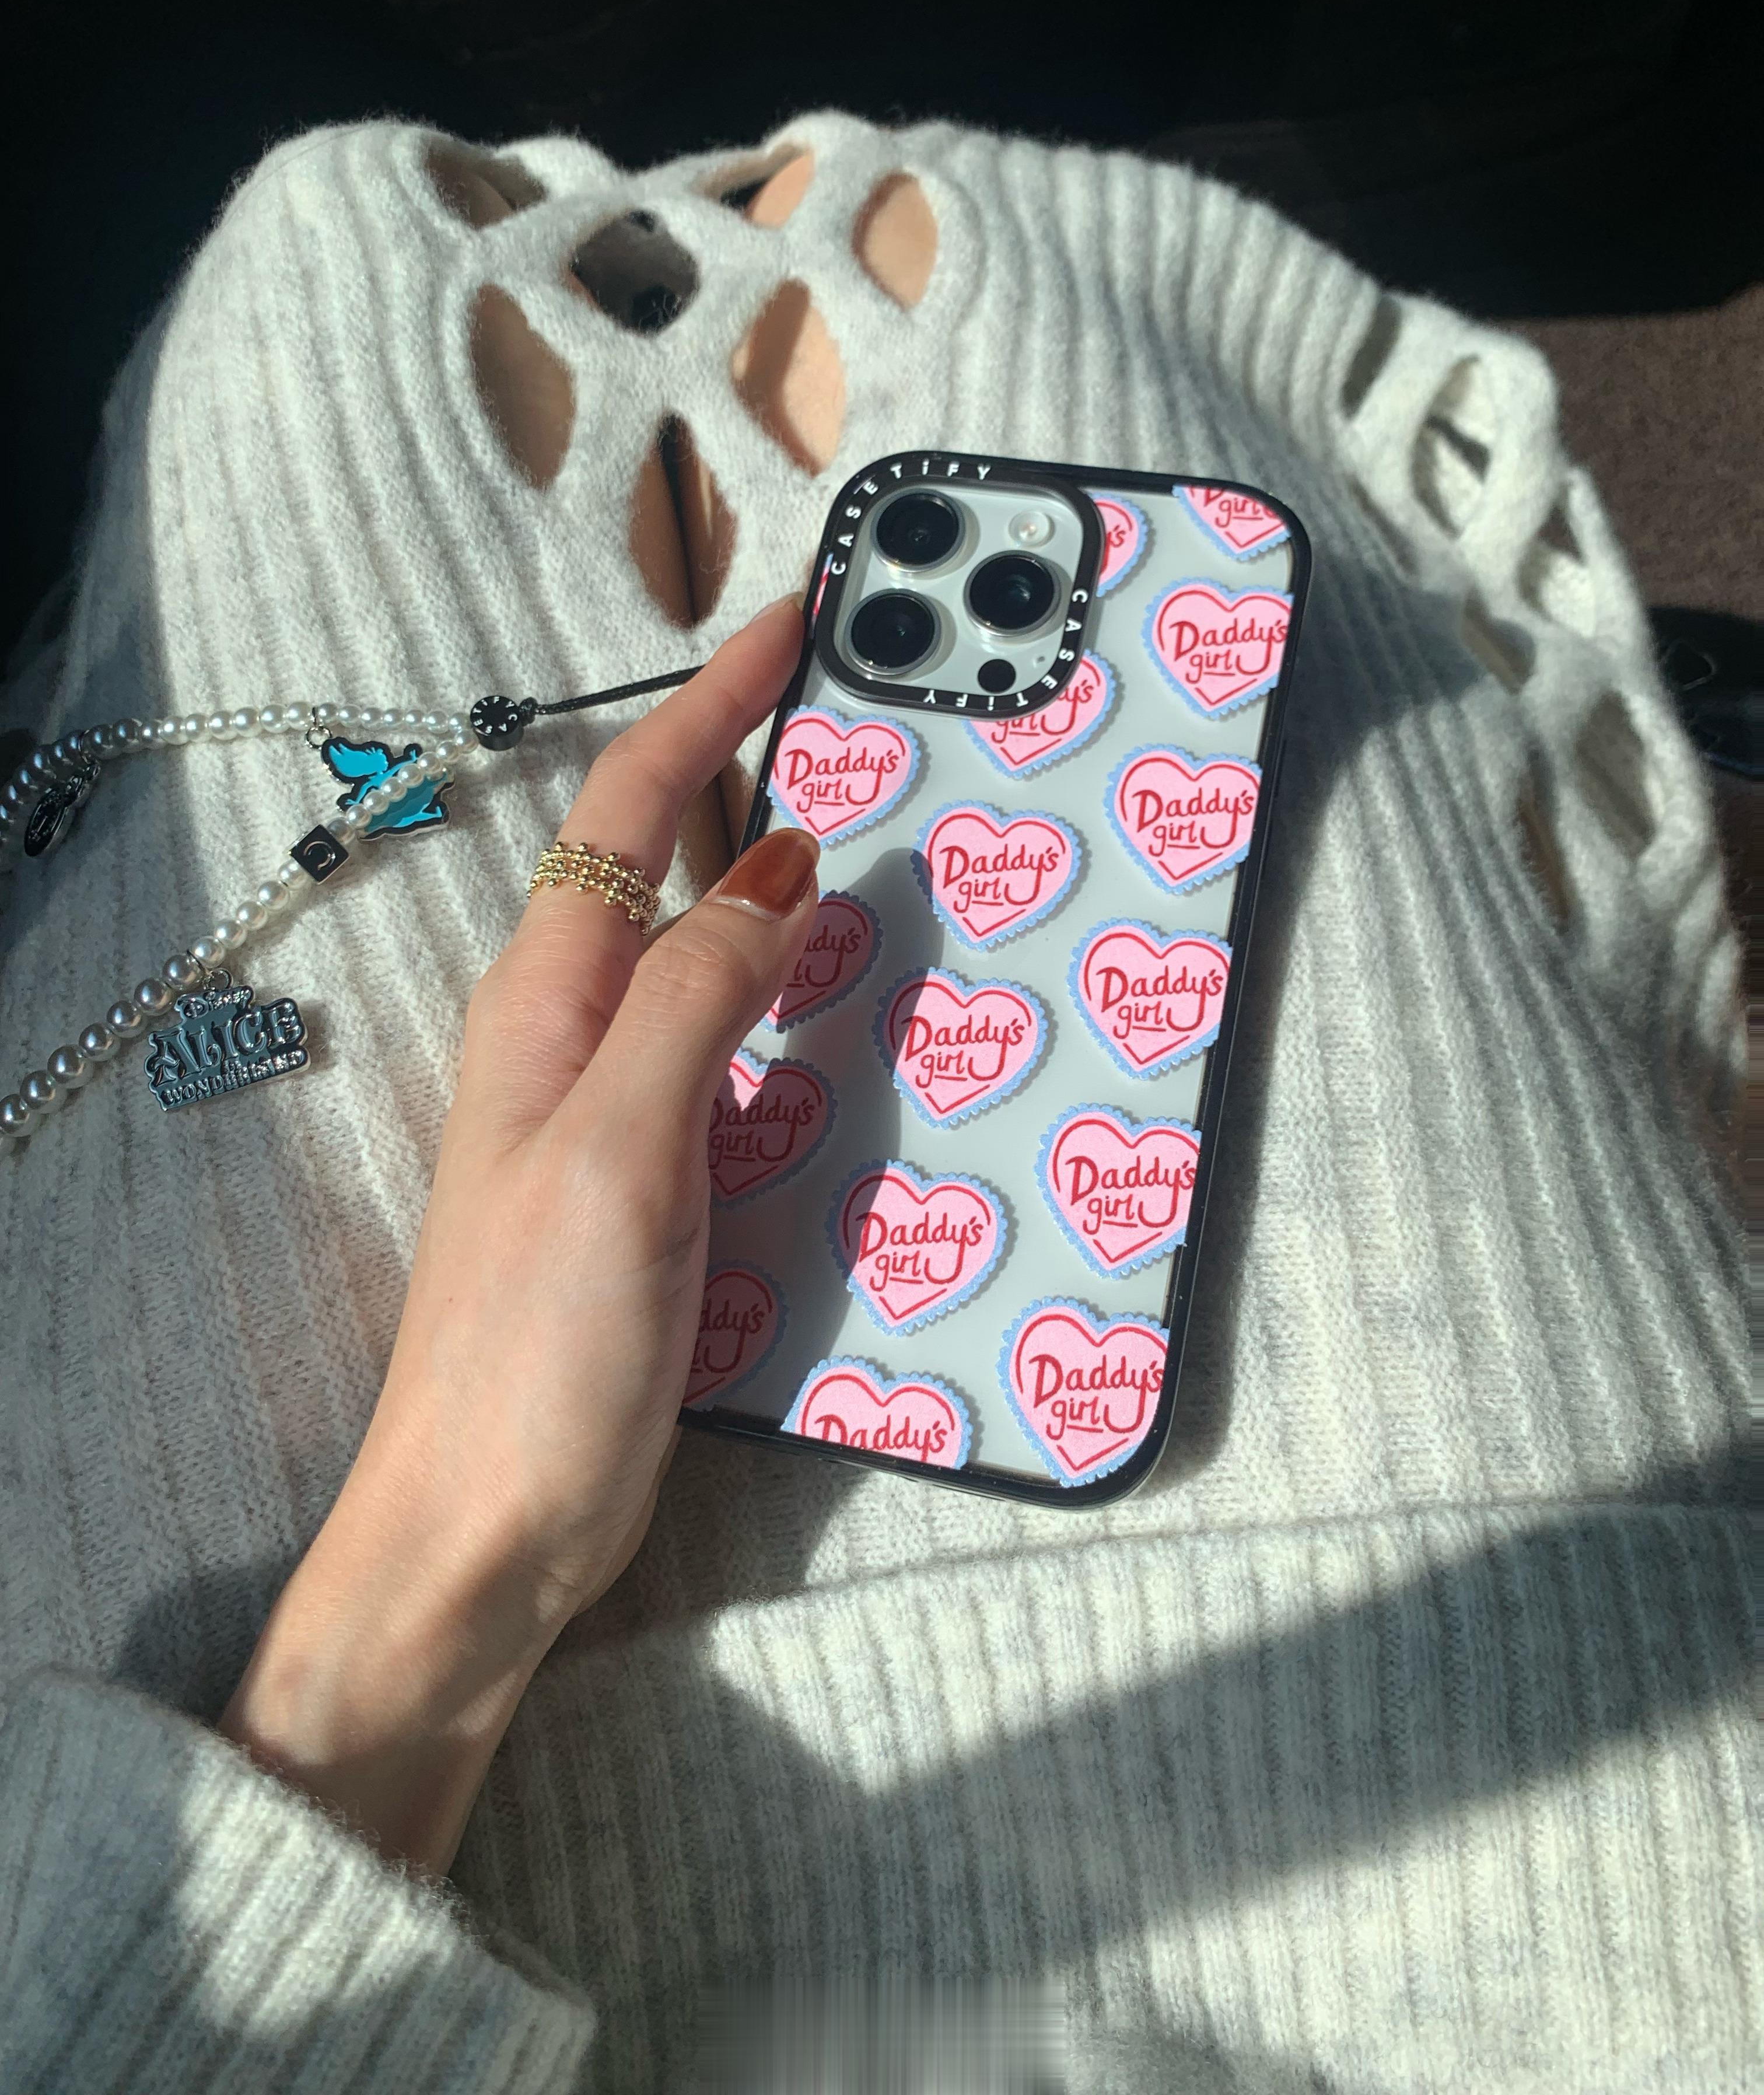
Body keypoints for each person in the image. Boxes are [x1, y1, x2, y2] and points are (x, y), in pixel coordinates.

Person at [0, 114, 1749, 2093]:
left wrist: (457, 1543)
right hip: (1532, 1780)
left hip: (277, 1868)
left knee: (334, 242)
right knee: (957, 260)